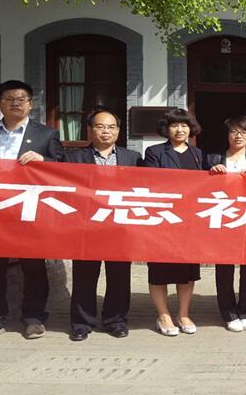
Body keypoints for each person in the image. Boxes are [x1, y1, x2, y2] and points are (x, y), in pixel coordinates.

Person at [0, 80, 65, 343]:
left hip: (29, 209)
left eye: (22, 99)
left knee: (34, 266)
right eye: (9, 99)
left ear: (30, 104)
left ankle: (33, 319)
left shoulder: (46, 135)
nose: (16, 103)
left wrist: (44, 160)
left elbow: (64, 169)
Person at [64, 106, 143, 342]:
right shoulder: (74, 158)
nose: (106, 131)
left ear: (118, 131)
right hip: (87, 226)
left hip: (120, 226)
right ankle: (81, 323)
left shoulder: (133, 158)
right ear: (90, 130)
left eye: (111, 127)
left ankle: (115, 320)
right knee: (84, 276)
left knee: (119, 276)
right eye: (100, 126)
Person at [142, 108, 205, 336]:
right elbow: (151, 182)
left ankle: (183, 314)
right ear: (166, 129)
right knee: (159, 270)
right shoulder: (155, 152)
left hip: (189, 222)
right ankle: (163, 315)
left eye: (184, 125)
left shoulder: (197, 153)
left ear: (191, 128)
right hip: (163, 219)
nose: (180, 130)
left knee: (187, 271)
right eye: (175, 125)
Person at [206, 115, 246, 332]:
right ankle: (229, 312)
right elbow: (199, 187)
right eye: (234, 131)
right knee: (224, 269)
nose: (238, 136)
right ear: (227, 134)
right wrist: (212, 174)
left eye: (243, 132)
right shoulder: (213, 158)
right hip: (222, 219)